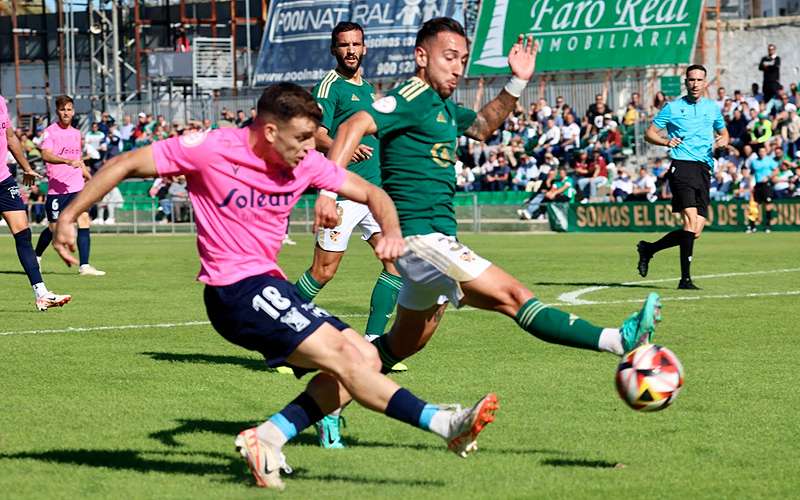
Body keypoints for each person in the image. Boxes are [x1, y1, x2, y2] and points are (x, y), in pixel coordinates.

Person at [51, 83, 498, 490]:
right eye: (302, 138)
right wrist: (69, 217)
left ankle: (268, 437)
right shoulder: (210, 149)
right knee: (348, 357)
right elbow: (127, 162)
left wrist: (392, 232)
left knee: (364, 356)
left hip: (269, 285)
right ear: (268, 131)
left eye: (313, 138)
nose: (310, 149)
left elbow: (375, 195)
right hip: (233, 292)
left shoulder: (305, 164)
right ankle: (445, 424)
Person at [323, 17, 663, 412]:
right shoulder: (410, 96)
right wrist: (329, 190)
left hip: (434, 242)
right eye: (449, 57)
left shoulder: (441, 106)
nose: (457, 67)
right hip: (420, 241)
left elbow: (483, 126)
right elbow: (353, 124)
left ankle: (323, 405)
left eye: (462, 59)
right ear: (421, 56)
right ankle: (617, 340)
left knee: (402, 344)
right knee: (513, 297)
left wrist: (517, 81)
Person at [296, 21, 407, 367]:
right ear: (334, 50)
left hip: (372, 193)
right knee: (323, 272)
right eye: (343, 45)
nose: (350, 51)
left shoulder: (369, 89)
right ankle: (283, 338)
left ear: (365, 48)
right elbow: (315, 133)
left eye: (356, 44)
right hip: (341, 192)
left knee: (395, 264)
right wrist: (344, 146)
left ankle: (375, 346)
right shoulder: (329, 86)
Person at [638, 65, 729, 290]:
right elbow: (648, 133)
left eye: (699, 80)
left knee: (695, 231)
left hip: (704, 169)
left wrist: (724, 140)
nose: (695, 84)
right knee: (688, 222)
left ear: (705, 82)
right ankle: (685, 280)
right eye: (691, 80)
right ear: (685, 82)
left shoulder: (712, 108)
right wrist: (666, 141)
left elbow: (723, 132)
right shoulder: (673, 108)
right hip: (682, 166)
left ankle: (649, 249)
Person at [0, 93, 71, 310]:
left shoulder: (1, 100)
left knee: (23, 233)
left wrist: (26, 168)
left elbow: (10, 136)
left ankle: (41, 293)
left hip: (3, 179)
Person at [33, 95, 106, 276]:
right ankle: (36, 257)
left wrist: (90, 177)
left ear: (73, 111)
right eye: (62, 109)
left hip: (76, 186)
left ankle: (85, 266)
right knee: (54, 229)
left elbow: (78, 161)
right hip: (56, 189)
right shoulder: (51, 132)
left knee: (83, 220)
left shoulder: (76, 134)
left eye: (69, 109)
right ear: (57, 111)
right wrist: (66, 161)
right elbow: (46, 154)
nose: (66, 113)